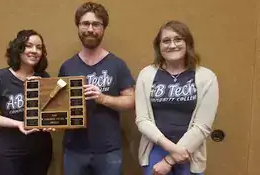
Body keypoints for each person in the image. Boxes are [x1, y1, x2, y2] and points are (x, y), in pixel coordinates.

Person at [58, 2, 135, 175]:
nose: (90, 29)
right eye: (85, 24)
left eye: (96, 24)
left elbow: (131, 100)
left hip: (109, 151)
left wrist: (102, 98)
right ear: (78, 27)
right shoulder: (67, 67)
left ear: (103, 28)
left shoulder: (117, 64)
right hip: (73, 150)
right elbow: (60, 106)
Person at [135, 20, 219, 175]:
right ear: (159, 46)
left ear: (188, 43)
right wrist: (172, 149)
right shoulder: (146, 75)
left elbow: (202, 126)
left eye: (178, 39)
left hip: (189, 152)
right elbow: (142, 120)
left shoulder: (207, 78)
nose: (172, 45)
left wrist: (170, 159)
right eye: (166, 41)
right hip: (155, 149)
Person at [0, 29, 54, 175]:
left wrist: (52, 123)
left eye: (39, 47)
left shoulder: (44, 77)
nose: (34, 51)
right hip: (9, 153)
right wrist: (18, 124)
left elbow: (50, 112)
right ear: (18, 49)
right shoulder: (1, 78)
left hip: (40, 151)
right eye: (29, 45)